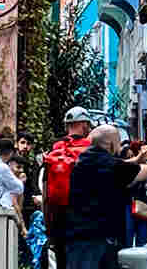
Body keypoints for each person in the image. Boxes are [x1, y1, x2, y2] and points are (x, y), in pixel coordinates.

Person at [65, 125, 147, 269]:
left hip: (76, 240)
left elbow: (116, 166)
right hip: (98, 244)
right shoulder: (110, 166)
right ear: (112, 144)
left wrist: (135, 160)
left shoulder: (84, 161)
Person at [44, 106, 94, 269]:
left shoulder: (56, 149)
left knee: (62, 260)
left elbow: (45, 189)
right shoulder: (91, 148)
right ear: (85, 125)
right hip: (83, 215)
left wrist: (48, 224)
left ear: (67, 126)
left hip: (58, 213)